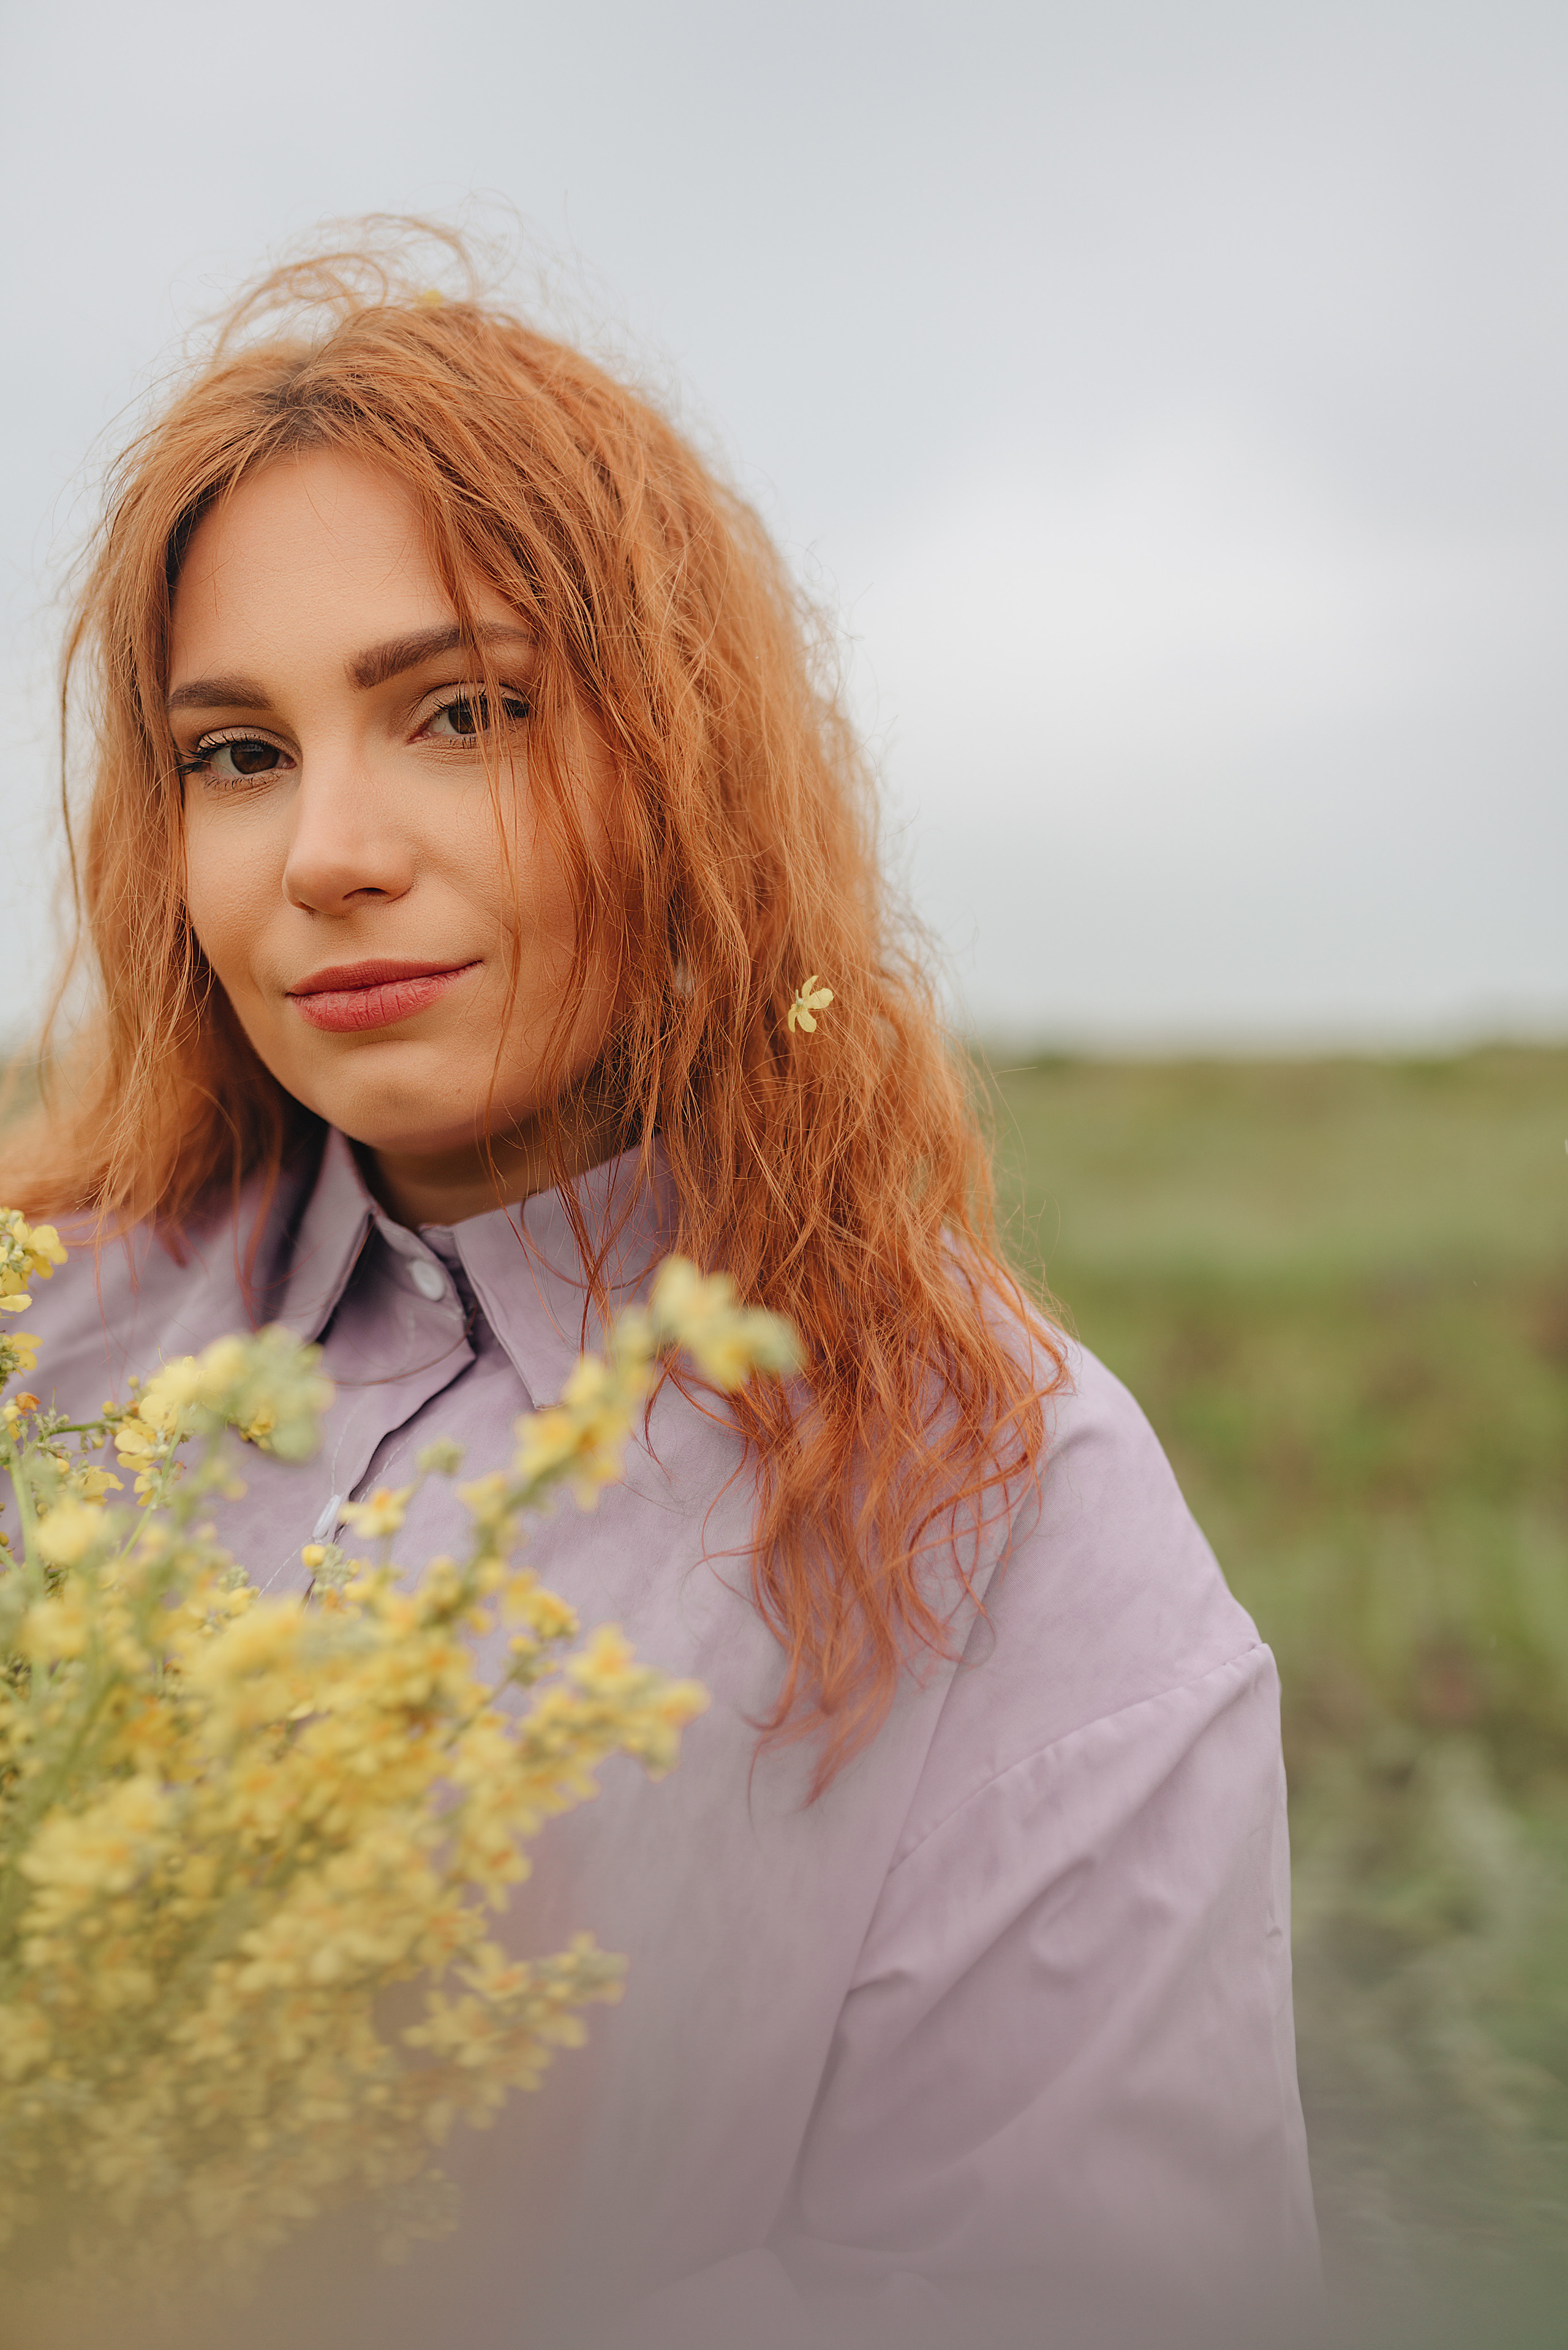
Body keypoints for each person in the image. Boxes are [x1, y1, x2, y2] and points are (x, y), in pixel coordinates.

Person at [7, 233, 1317, 2349]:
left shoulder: (1000, 1493)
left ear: (681, 765)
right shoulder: (48, 1347)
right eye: (233, 754)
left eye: (465, 714)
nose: (328, 847)